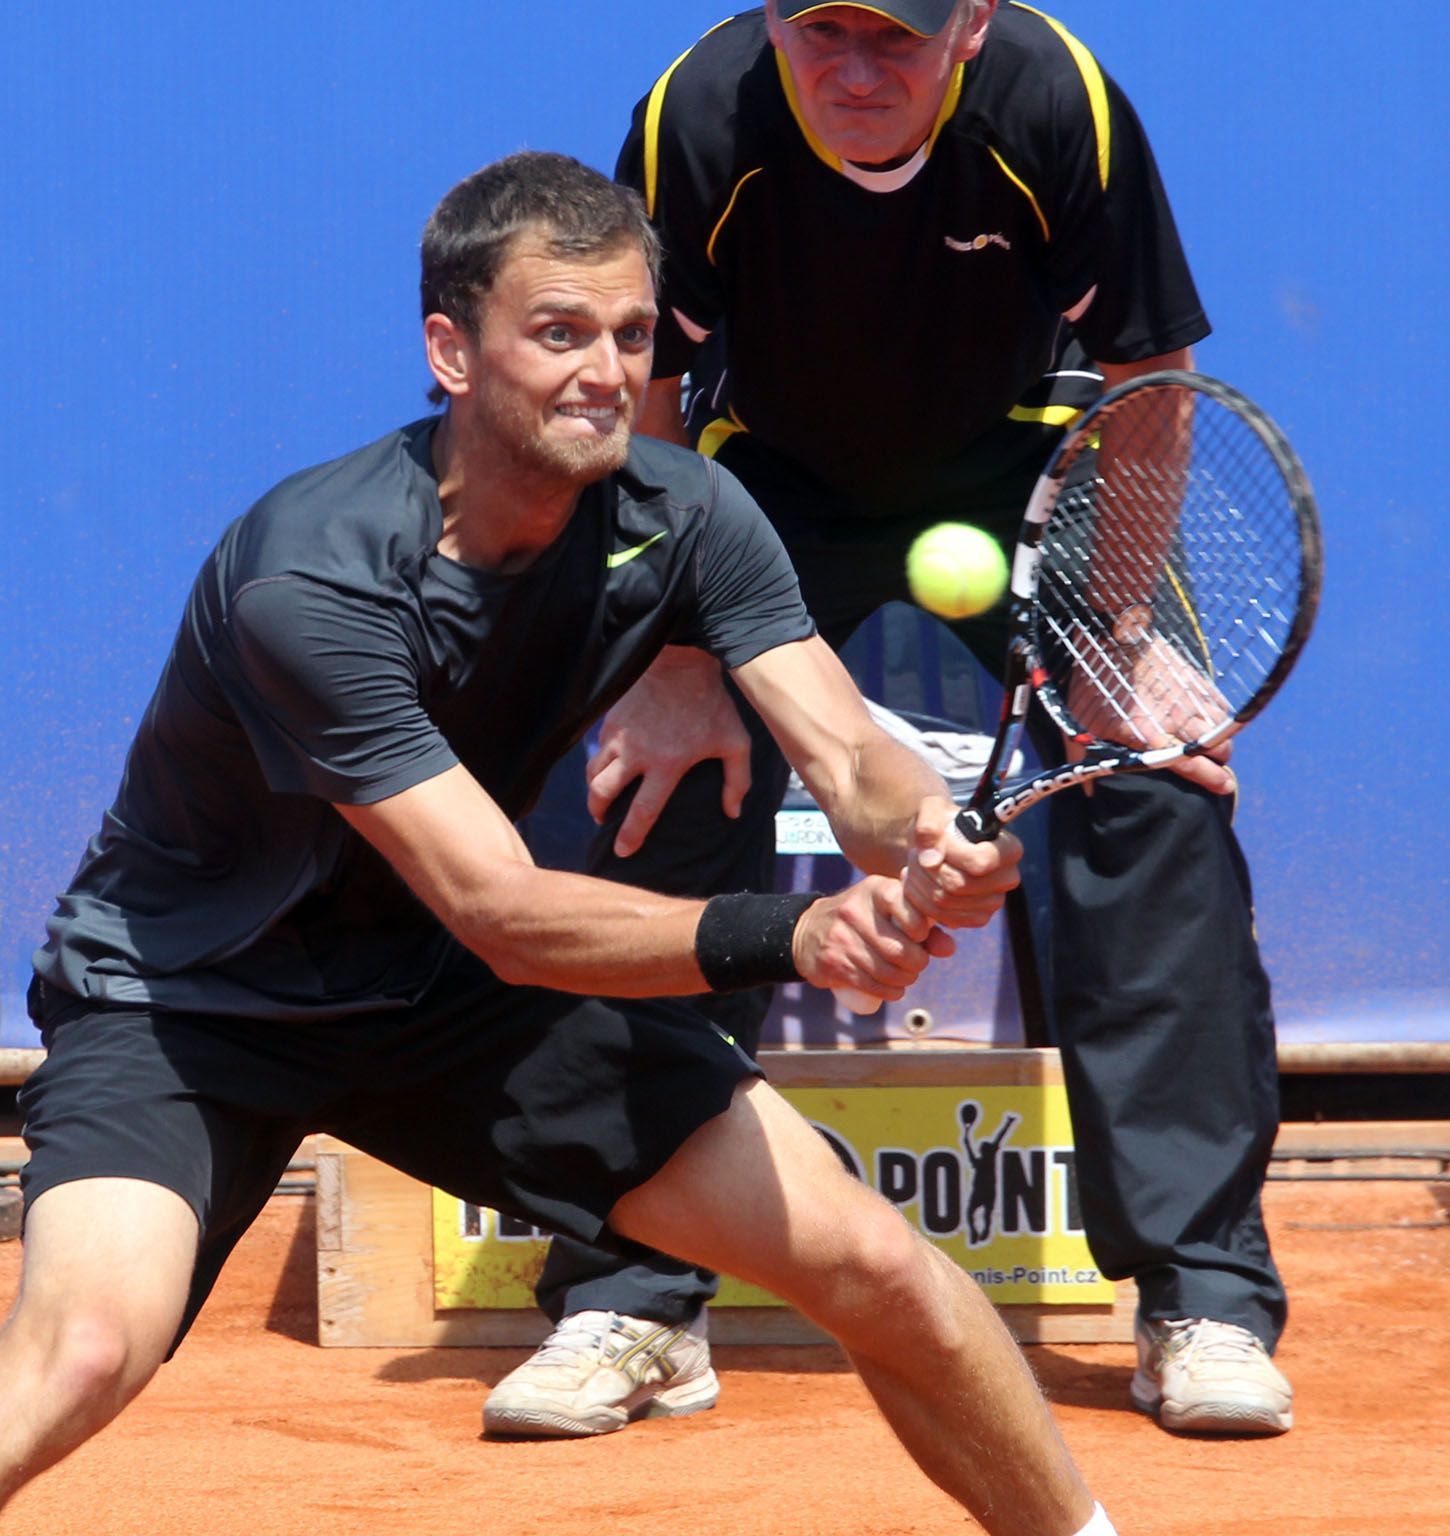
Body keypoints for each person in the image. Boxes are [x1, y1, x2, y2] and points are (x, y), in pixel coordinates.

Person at [2, 150, 1123, 1536]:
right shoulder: (315, 575)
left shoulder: (687, 512)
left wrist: (920, 838)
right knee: (85, 1350)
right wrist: (797, 934)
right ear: (450, 351)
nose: (604, 371)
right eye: (558, 332)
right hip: (189, 998)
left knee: (874, 1265)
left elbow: (847, 756)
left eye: (632, 335)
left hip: (447, 1003)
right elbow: (501, 908)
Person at [488, 0, 1292, 1443]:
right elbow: (639, 398)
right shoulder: (697, 117)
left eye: (898, 40)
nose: (856, 70)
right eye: (822, 34)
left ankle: (1197, 1290)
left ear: (972, 26)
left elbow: (1152, 371)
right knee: (648, 793)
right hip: (759, 485)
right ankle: (631, 1293)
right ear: (769, 14)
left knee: (1149, 793)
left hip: (1030, 475)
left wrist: (1117, 636)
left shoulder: (1060, 104)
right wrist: (669, 658)